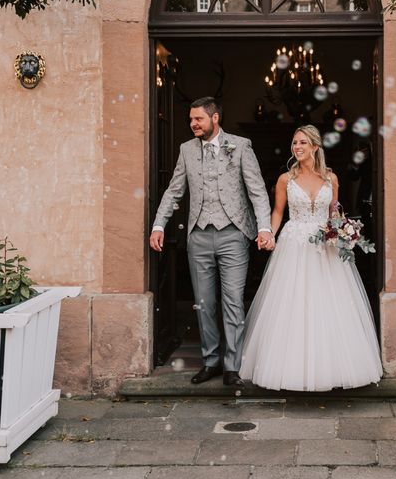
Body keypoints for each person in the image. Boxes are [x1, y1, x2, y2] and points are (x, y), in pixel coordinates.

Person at [239, 125, 383, 391]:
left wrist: (344, 232)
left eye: (303, 143)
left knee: (329, 304)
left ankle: (332, 367)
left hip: (325, 247)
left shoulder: (332, 179)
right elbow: (278, 212)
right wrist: (269, 234)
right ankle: (289, 368)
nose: (297, 147)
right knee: (292, 304)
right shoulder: (285, 179)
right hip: (294, 244)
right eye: (295, 143)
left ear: (316, 147)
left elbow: (335, 213)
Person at [149, 97, 273, 387]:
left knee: (232, 301)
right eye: (191, 119)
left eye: (198, 119)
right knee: (204, 303)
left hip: (233, 233)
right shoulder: (186, 150)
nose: (193, 124)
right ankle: (211, 361)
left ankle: (232, 366)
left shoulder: (241, 146)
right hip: (199, 235)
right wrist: (159, 224)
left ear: (215, 118)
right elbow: (174, 191)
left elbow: (256, 191)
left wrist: (264, 228)